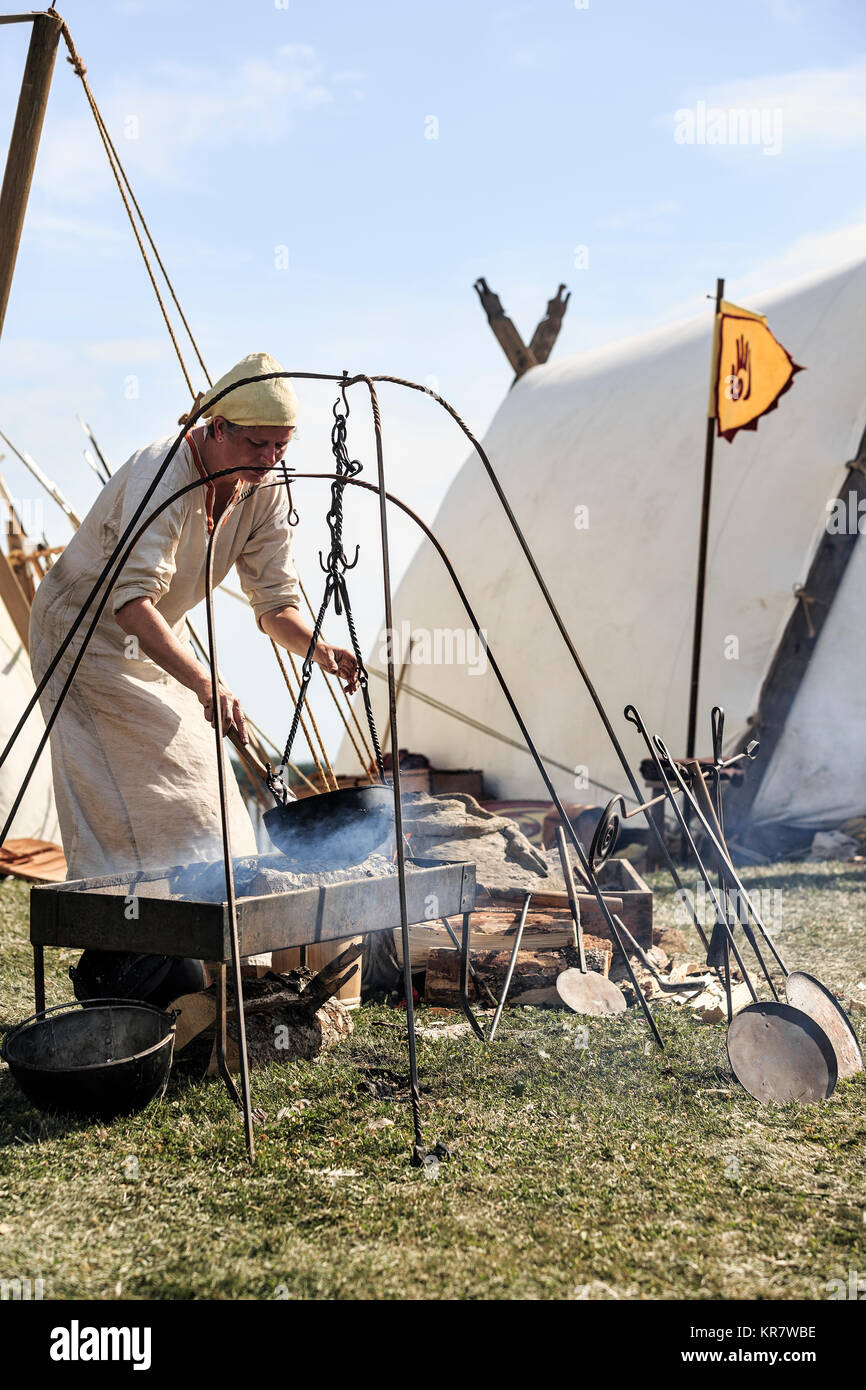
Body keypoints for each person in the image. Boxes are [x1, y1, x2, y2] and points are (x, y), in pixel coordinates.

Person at [29, 351, 358, 884]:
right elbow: (132, 601)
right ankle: (132, 931)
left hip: (158, 639)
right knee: (135, 795)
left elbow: (275, 604)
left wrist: (321, 650)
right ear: (219, 427)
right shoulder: (162, 472)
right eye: (259, 443)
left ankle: (201, 935)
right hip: (83, 638)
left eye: (282, 444)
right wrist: (206, 682)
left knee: (211, 788)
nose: (272, 456)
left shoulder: (263, 486)